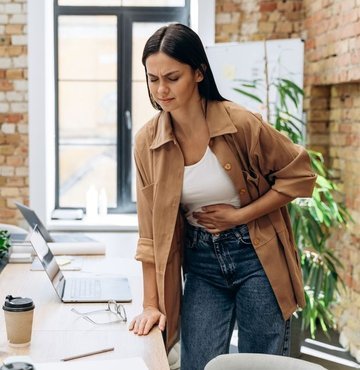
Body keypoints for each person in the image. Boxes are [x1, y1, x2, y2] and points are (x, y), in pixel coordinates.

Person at [128, 23, 316, 370]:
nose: (161, 90)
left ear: (199, 72)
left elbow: (300, 175)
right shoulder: (147, 142)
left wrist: (240, 216)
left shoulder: (241, 124)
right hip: (200, 262)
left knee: (260, 363)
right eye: (153, 79)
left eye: (172, 77)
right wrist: (150, 304)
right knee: (197, 363)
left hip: (256, 256)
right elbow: (149, 234)